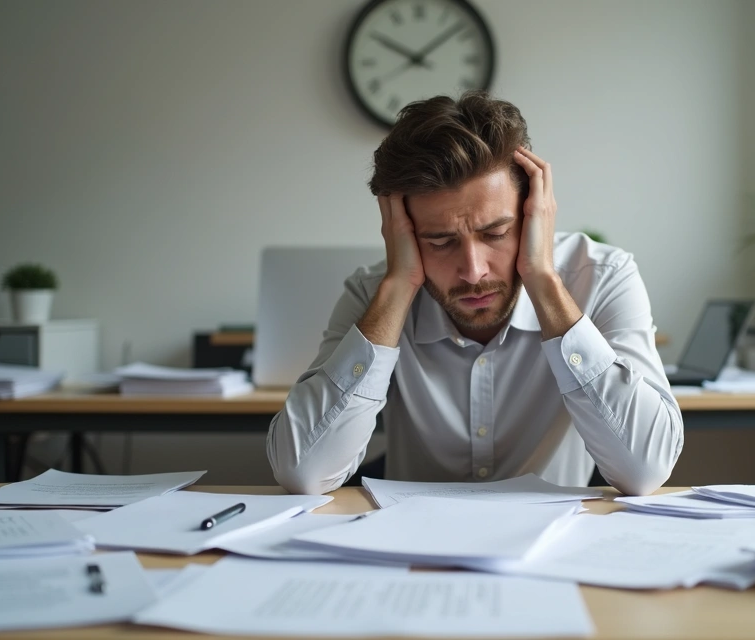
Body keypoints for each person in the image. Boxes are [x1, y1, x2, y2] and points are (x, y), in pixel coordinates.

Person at [266, 92, 682, 496]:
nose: (473, 270)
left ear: (534, 216)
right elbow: (305, 474)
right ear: (402, 232)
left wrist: (542, 278)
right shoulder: (374, 295)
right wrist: (398, 288)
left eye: (496, 233)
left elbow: (644, 471)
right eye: (440, 241)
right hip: (412, 539)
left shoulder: (603, 278)